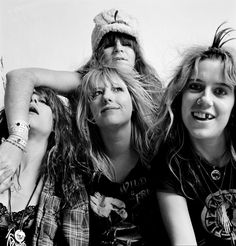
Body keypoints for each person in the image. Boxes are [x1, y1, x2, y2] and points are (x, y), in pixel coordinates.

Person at [0, 8, 163, 192]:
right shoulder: (83, 83)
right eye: (109, 44)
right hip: (89, 179)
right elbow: (21, 77)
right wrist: (16, 140)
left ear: (137, 53)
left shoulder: (155, 90)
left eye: (127, 44)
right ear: (97, 55)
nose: (119, 49)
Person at [150, 23, 236, 245]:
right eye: (196, 86)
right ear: (179, 97)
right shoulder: (170, 164)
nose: (205, 99)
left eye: (220, 91)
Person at [72, 65, 167, 245]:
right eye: (96, 93)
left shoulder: (160, 154)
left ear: (133, 104)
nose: (107, 97)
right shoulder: (78, 166)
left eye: (117, 89)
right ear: (90, 113)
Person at [0, 87, 89, 245]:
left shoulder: (68, 184)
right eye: (26, 100)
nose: (33, 101)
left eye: (43, 101)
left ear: (56, 122)